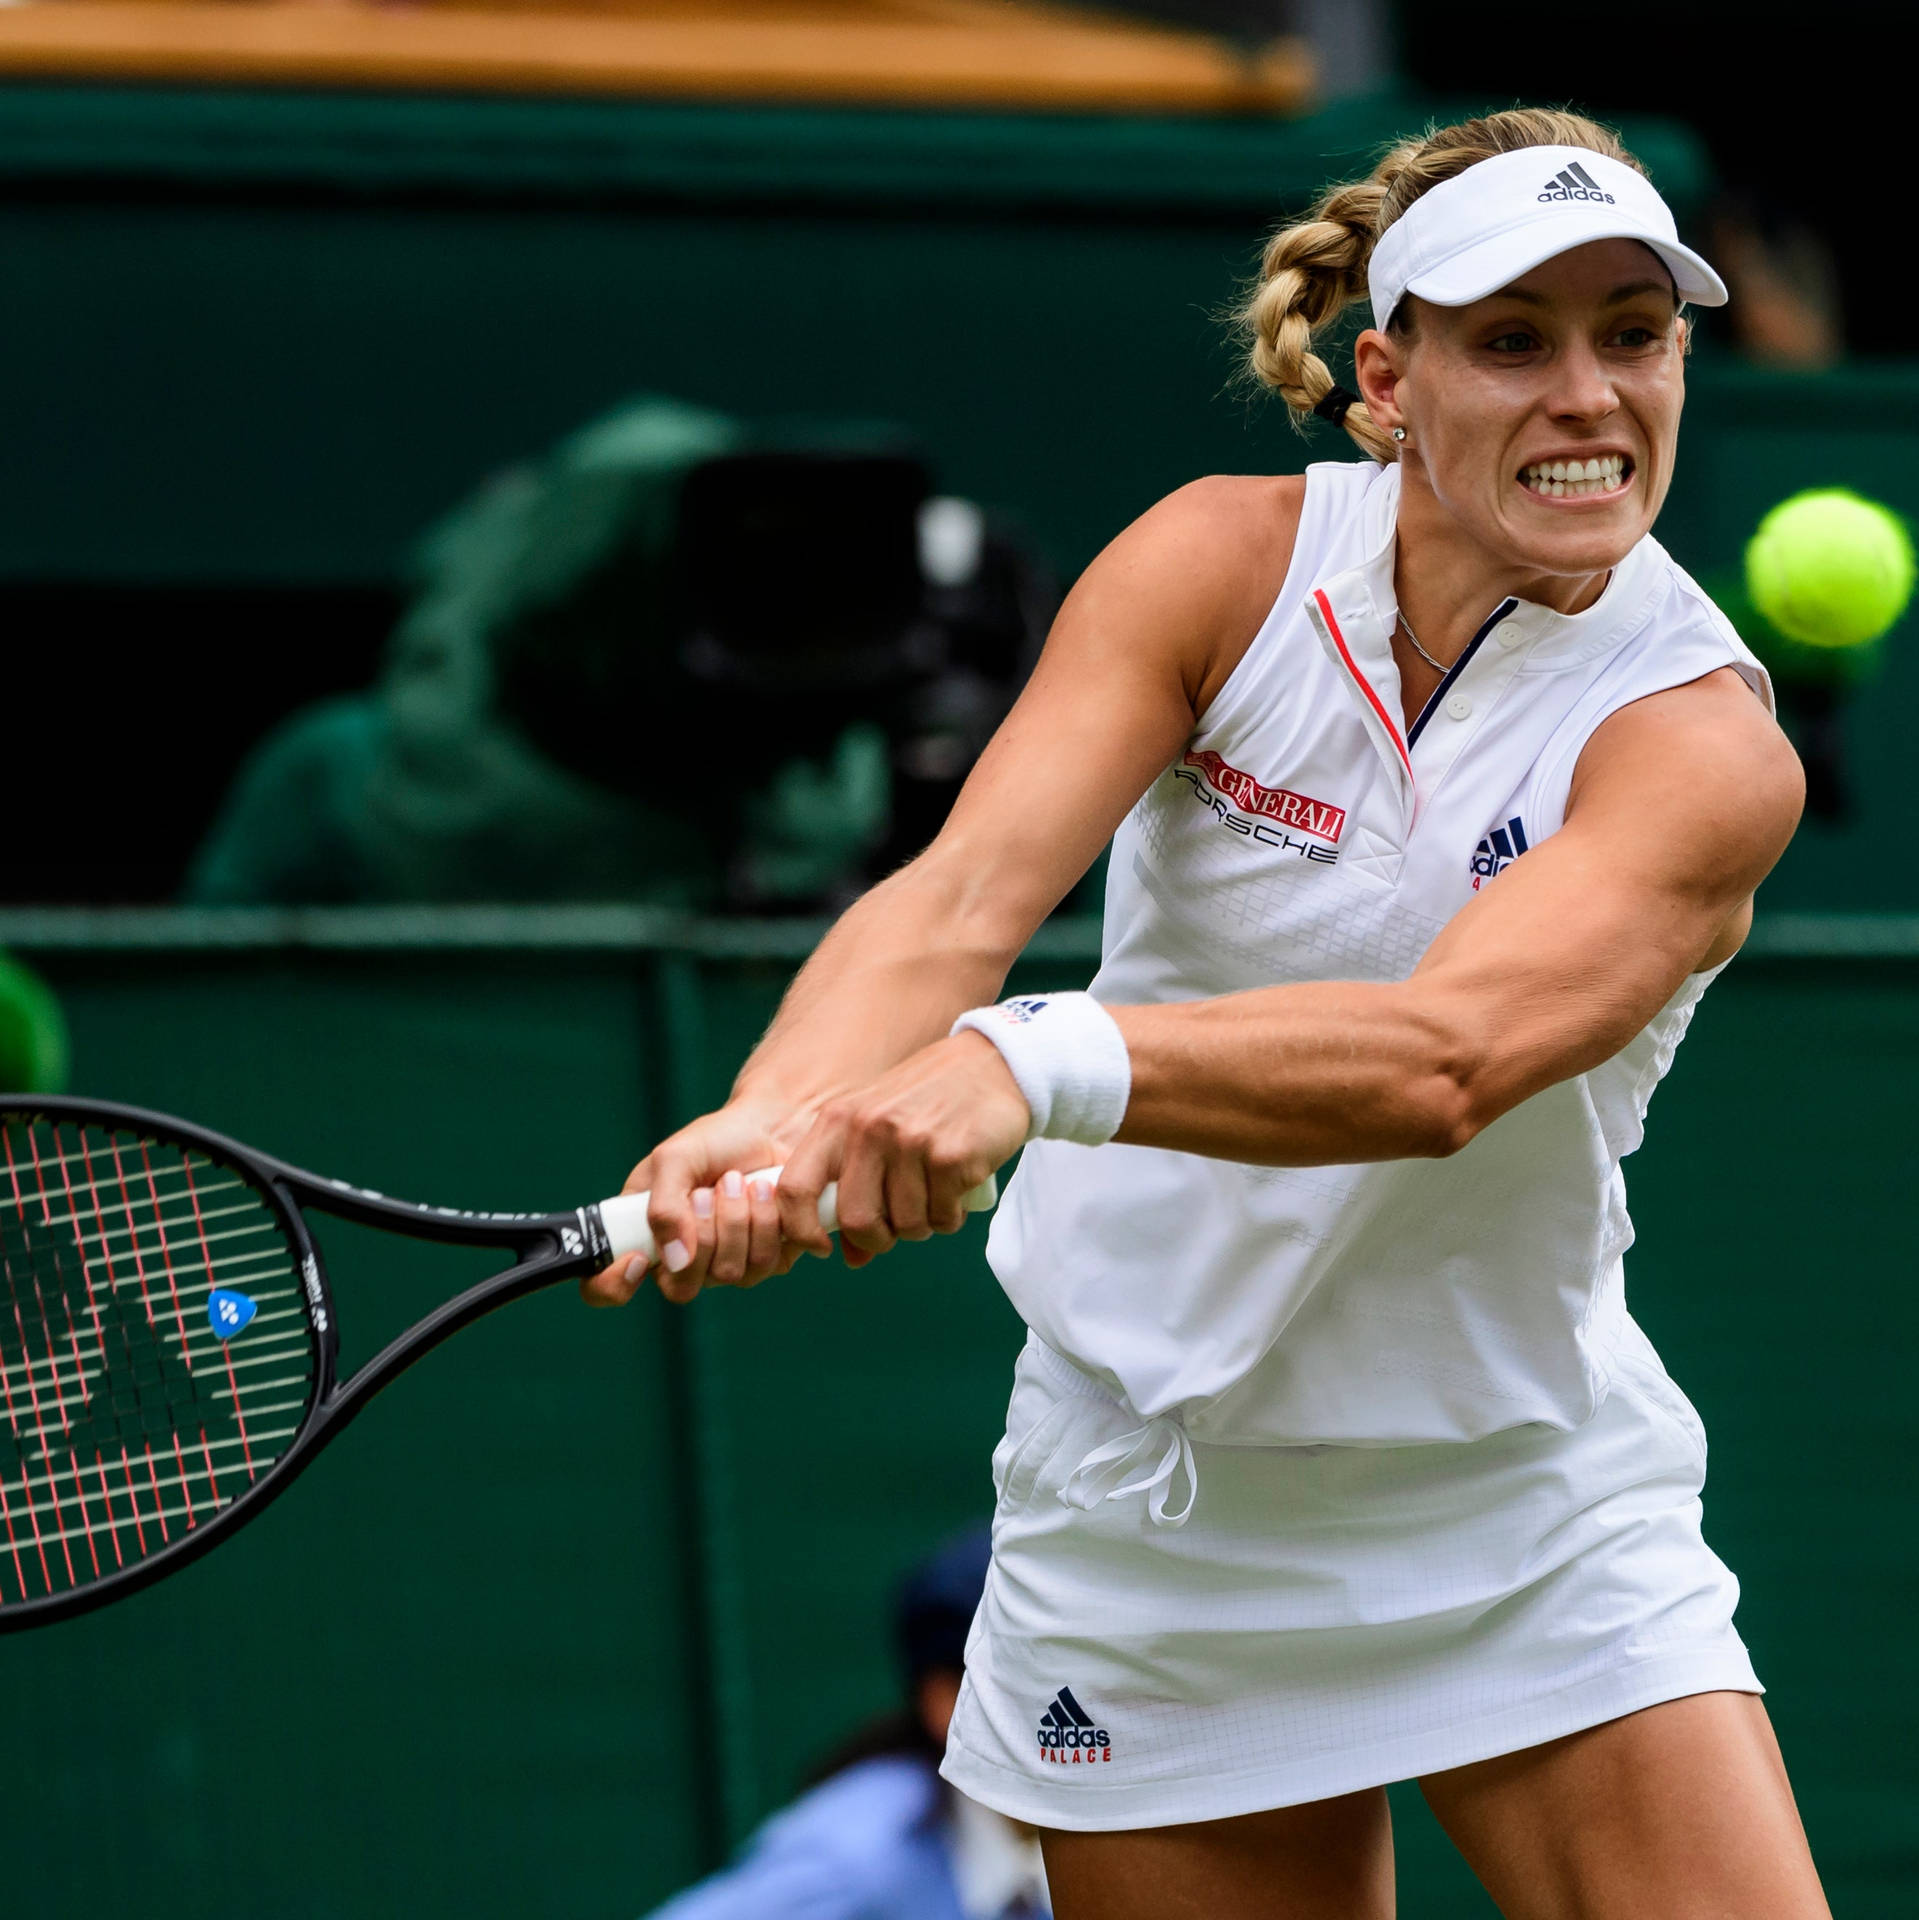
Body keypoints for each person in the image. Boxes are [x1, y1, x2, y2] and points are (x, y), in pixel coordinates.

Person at [586, 109, 1826, 1917]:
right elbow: (952, 901)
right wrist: (769, 1123)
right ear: (1382, 384)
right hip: (1144, 1517)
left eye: (1629, 334)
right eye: (1511, 340)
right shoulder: (1212, 567)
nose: (1586, 394)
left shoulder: (1700, 741)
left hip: (1521, 1508)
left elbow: (1438, 1062)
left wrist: (1027, 1060)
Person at [646, 1528, 1050, 1920]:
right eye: (1052, 1677)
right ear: (947, 1701)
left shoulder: (1062, 1844)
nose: (1094, 1705)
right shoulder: (855, 1860)